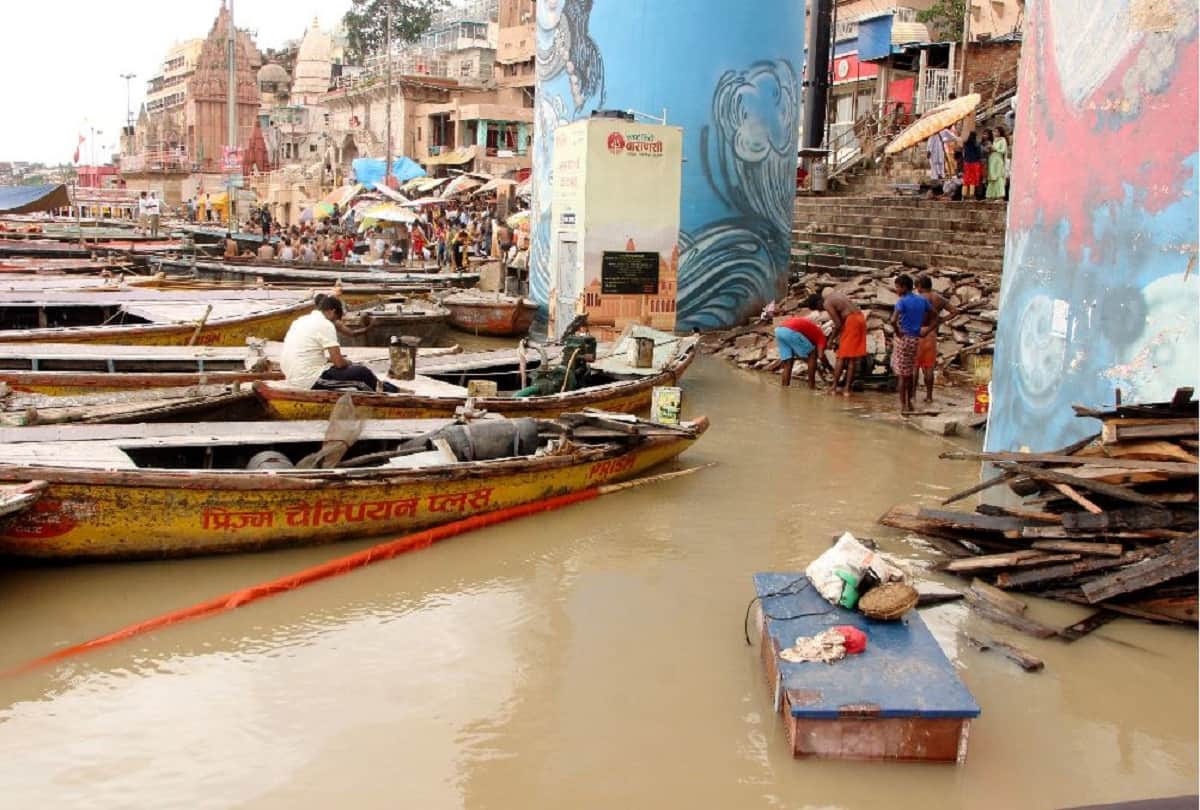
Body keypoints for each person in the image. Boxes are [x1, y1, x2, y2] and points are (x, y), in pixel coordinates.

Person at [280, 295, 399, 393]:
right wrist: (347, 363)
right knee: (362, 374)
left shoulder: (300, 320)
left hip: (291, 375)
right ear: (332, 311)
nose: (335, 322)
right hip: (309, 379)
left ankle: (387, 387)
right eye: (336, 318)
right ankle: (388, 393)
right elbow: (339, 363)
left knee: (356, 371)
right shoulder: (325, 324)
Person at [890, 274, 934, 414]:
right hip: (916, 339)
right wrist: (927, 330)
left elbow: (892, 320)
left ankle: (904, 405)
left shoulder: (902, 302)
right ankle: (909, 402)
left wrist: (897, 332)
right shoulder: (921, 300)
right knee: (909, 372)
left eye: (897, 287)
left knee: (903, 375)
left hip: (904, 338)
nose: (896, 290)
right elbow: (936, 316)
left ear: (904, 287)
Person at [811, 289, 867, 397]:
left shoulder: (827, 303)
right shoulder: (838, 296)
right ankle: (847, 389)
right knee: (852, 358)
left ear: (819, 302)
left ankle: (834, 387)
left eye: (818, 308)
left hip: (852, 322)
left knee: (841, 357)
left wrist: (831, 339)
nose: (821, 310)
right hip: (860, 318)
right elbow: (841, 322)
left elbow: (837, 324)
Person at [915, 276, 957, 403]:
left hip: (918, 331)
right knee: (929, 367)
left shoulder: (918, 299)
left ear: (920, 286)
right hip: (931, 333)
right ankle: (929, 396)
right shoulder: (938, 298)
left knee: (914, 366)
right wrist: (941, 321)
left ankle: (912, 394)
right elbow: (955, 311)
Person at [767, 314, 829, 389]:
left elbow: (799, 352)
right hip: (790, 330)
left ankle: (784, 388)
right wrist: (829, 368)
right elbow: (821, 355)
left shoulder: (811, 334)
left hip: (779, 331)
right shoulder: (822, 338)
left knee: (788, 364)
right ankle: (812, 386)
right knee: (812, 355)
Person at [987, 126, 1009, 200]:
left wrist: (995, 149)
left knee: (998, 177)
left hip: (998, 160)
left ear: (1000, 132)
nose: (994, 133)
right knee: (992, 177)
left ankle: (1000, 196)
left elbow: (1003, 150)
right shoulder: (994, 140)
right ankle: (991, 196)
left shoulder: (1003, 140)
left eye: (996, 131)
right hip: (992, 159)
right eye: (994, 131)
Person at [961, 131, 983, 201]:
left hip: (967, 163)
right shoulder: (977, 144)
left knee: (966, 179)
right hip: (974, 163)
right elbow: (979, 154)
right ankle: (971, 195)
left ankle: (964, 195)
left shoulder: (966, 143)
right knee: (973, 180)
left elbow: (964, 153)